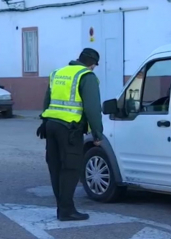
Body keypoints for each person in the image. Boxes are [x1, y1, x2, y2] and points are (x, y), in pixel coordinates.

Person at [36, 48, 104, 221]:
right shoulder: (86, 76)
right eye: (95, 66)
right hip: (70, 129)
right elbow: (92, 108)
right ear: (92, 64)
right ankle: (66, 210)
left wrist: (44, 121)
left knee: (56, 167)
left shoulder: (58, 73)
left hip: (51, 125)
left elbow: (47, 100)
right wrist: (97, 134)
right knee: (71, 168)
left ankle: (62, 207)